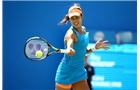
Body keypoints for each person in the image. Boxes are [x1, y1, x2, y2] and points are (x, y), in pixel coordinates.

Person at [55, 3, 110, 90]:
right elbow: (70, 45)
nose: (75, 20)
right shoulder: (71, 33)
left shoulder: (84, 30)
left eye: (76, 17)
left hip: (79, 72)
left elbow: (83, 51)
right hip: (65, 73)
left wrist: (95, 47)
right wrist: (70, 49)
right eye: (72, 18)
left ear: (81, 16)